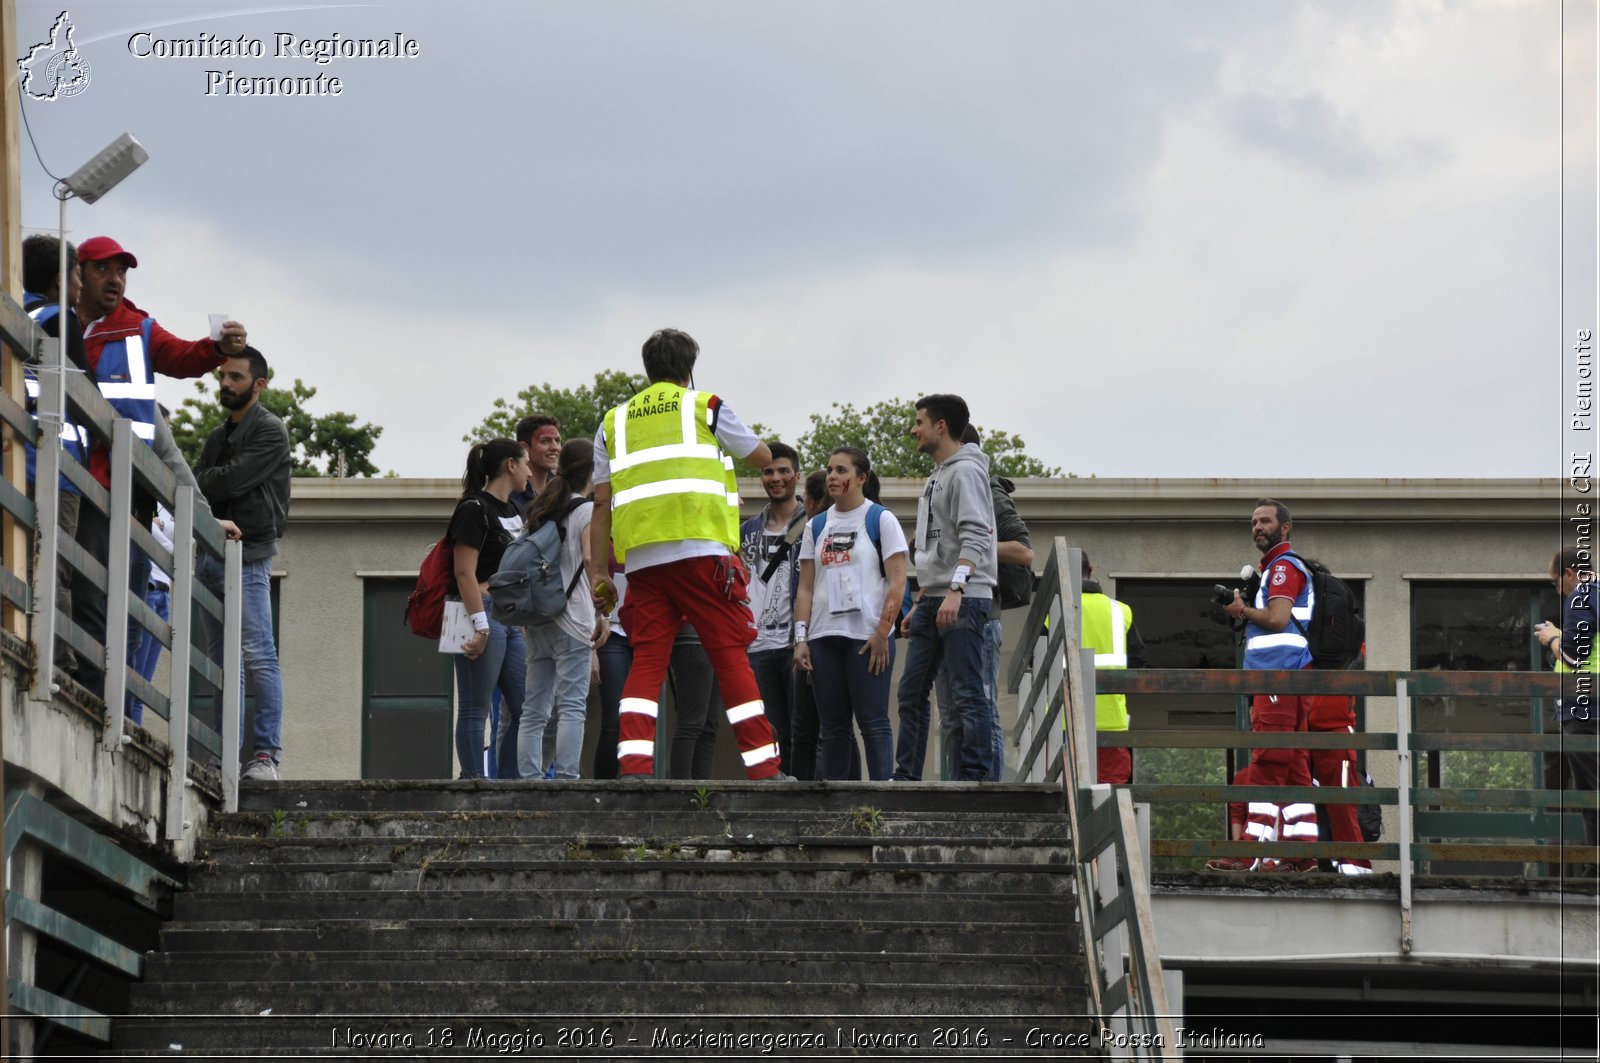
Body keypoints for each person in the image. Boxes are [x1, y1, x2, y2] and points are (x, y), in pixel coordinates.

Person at [587, 328, 784, 781]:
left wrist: (600, 571)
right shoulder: (705, 406)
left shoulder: (612, 422)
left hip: (642, 561)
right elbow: (761, 456)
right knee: (729, 653)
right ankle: (764, 768)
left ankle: (634, 768)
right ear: (689, 368)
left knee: (649, 661)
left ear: (647, 368)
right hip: (701, 552)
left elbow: (601, 503)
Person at [72, 235, 245, 701]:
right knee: (78, 592)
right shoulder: (56, 322)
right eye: (104, 270)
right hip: (70, 480)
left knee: (120, 607)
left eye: (121, 271)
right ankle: (90, 692)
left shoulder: (138, 328)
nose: (115, 280)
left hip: (128, 492)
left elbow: (185, 358)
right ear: (79, 274)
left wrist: (216, 346)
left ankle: (106, 706)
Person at [193, 349, 292, 781]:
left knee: (258, 656)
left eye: (235, 376)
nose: (226, 383)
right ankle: (222, 758)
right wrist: (213, 477)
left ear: (259, 384)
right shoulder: (218, 436)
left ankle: (267, 755)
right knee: (222, 663)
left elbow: (226, 479)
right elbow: (198, 481)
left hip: (250, 555)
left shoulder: (271, 430)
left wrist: (213, 477)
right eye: (223, 376)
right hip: (213, 555)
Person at [1208, 499, 1320, 872]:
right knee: (1296, 770)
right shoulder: (1275, 568)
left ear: (1285, 528)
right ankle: (1302, 856)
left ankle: (1247, 854)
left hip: (1278, 679)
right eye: (1254, 521)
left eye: (1266, 521)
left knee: (1267, 762)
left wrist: (1240, 610)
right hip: (1288, 679)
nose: (1257, 526)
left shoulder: (1283, 568)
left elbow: (1276, 618)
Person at [892, 394, 998, 782]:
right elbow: (934, 547)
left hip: (964, 598)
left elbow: (975, 535)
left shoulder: (966, 472)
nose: (912, 429)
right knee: (911, 692)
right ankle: (906, 777)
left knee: (966, 693)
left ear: (941, 426)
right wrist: (923, 599)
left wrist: (956, 589)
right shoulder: (937, 475)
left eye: (919, 421)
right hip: (935, 597)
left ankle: (974, 778)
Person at [793, 446, 909, 780]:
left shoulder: (880, 519)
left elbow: (898, 581)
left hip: (866, 639)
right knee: (832, 728)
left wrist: (882, 632)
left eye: (842, 471)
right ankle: (837, 807)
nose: (832, 476)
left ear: (861, 478)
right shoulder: (815, 525)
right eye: (829, 470)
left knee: (873, 722)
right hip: (823, 637)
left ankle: (882, 802)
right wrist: (801, 639)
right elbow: (806, 587)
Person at [937, 424, 1030, 780]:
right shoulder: (943, 485)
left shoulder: (988, 489)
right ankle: (958, 786)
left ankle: (986, 788)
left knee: (979, 703)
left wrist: (967, 544)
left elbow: (1024, 552)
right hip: (945, 613)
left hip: (978, 612)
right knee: (953, 711)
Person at [517, 439, 607, 780]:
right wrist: (605, 614)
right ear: (595, 471)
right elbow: (589, 559)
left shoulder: (541, 509)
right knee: (571, 706)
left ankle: (529, 778)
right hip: (573, 621)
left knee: (534, 708)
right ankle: (568, 779)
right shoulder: (586, 511)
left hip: (539, 618)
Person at [444, 438, 531, 779]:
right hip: (478, 611)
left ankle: (508, 784)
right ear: (511, 465)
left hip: (510, 616)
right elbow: (463, 572)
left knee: (526, 707)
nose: (528, 473)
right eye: (525, 464)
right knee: (474, 708)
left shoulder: (515, 511)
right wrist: (480, 626)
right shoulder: (473, 508)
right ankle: (474, 785)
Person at [21, 234, 88, 674]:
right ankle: (57, 660)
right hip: (56, 464)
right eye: (78, 274)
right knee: (53, 564)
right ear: (59, 280)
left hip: (16, 455)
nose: (81, 285)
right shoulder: (59, 318)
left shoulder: (15, 312)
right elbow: (84, 396)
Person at [739, 442, 805, 773]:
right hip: (757, 644)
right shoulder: (747, 531)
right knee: (768, 731)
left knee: (802, 728)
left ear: (797, 475)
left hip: (796, 643)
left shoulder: (815, 526)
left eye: (782, 471)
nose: (775, 478)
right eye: (768, 472)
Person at [1536, 546, 1599, 861]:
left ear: (1570, 573)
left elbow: (1575, 657)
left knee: (1590, 792)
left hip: (1584, 711)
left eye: (1555, 581)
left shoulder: (1581, 597)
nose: (1556, 588)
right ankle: (1592, 866)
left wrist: (1552, 640)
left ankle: (1594, 867)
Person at [1079, 552, 1146, 785]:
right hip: (1111, 720)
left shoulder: (1055, 613)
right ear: (1092, 570)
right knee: (1111, 793)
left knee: (1066, 794)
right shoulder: (1120, 611)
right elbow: (1139, 661)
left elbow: (1034, 664)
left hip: (1066, 722)